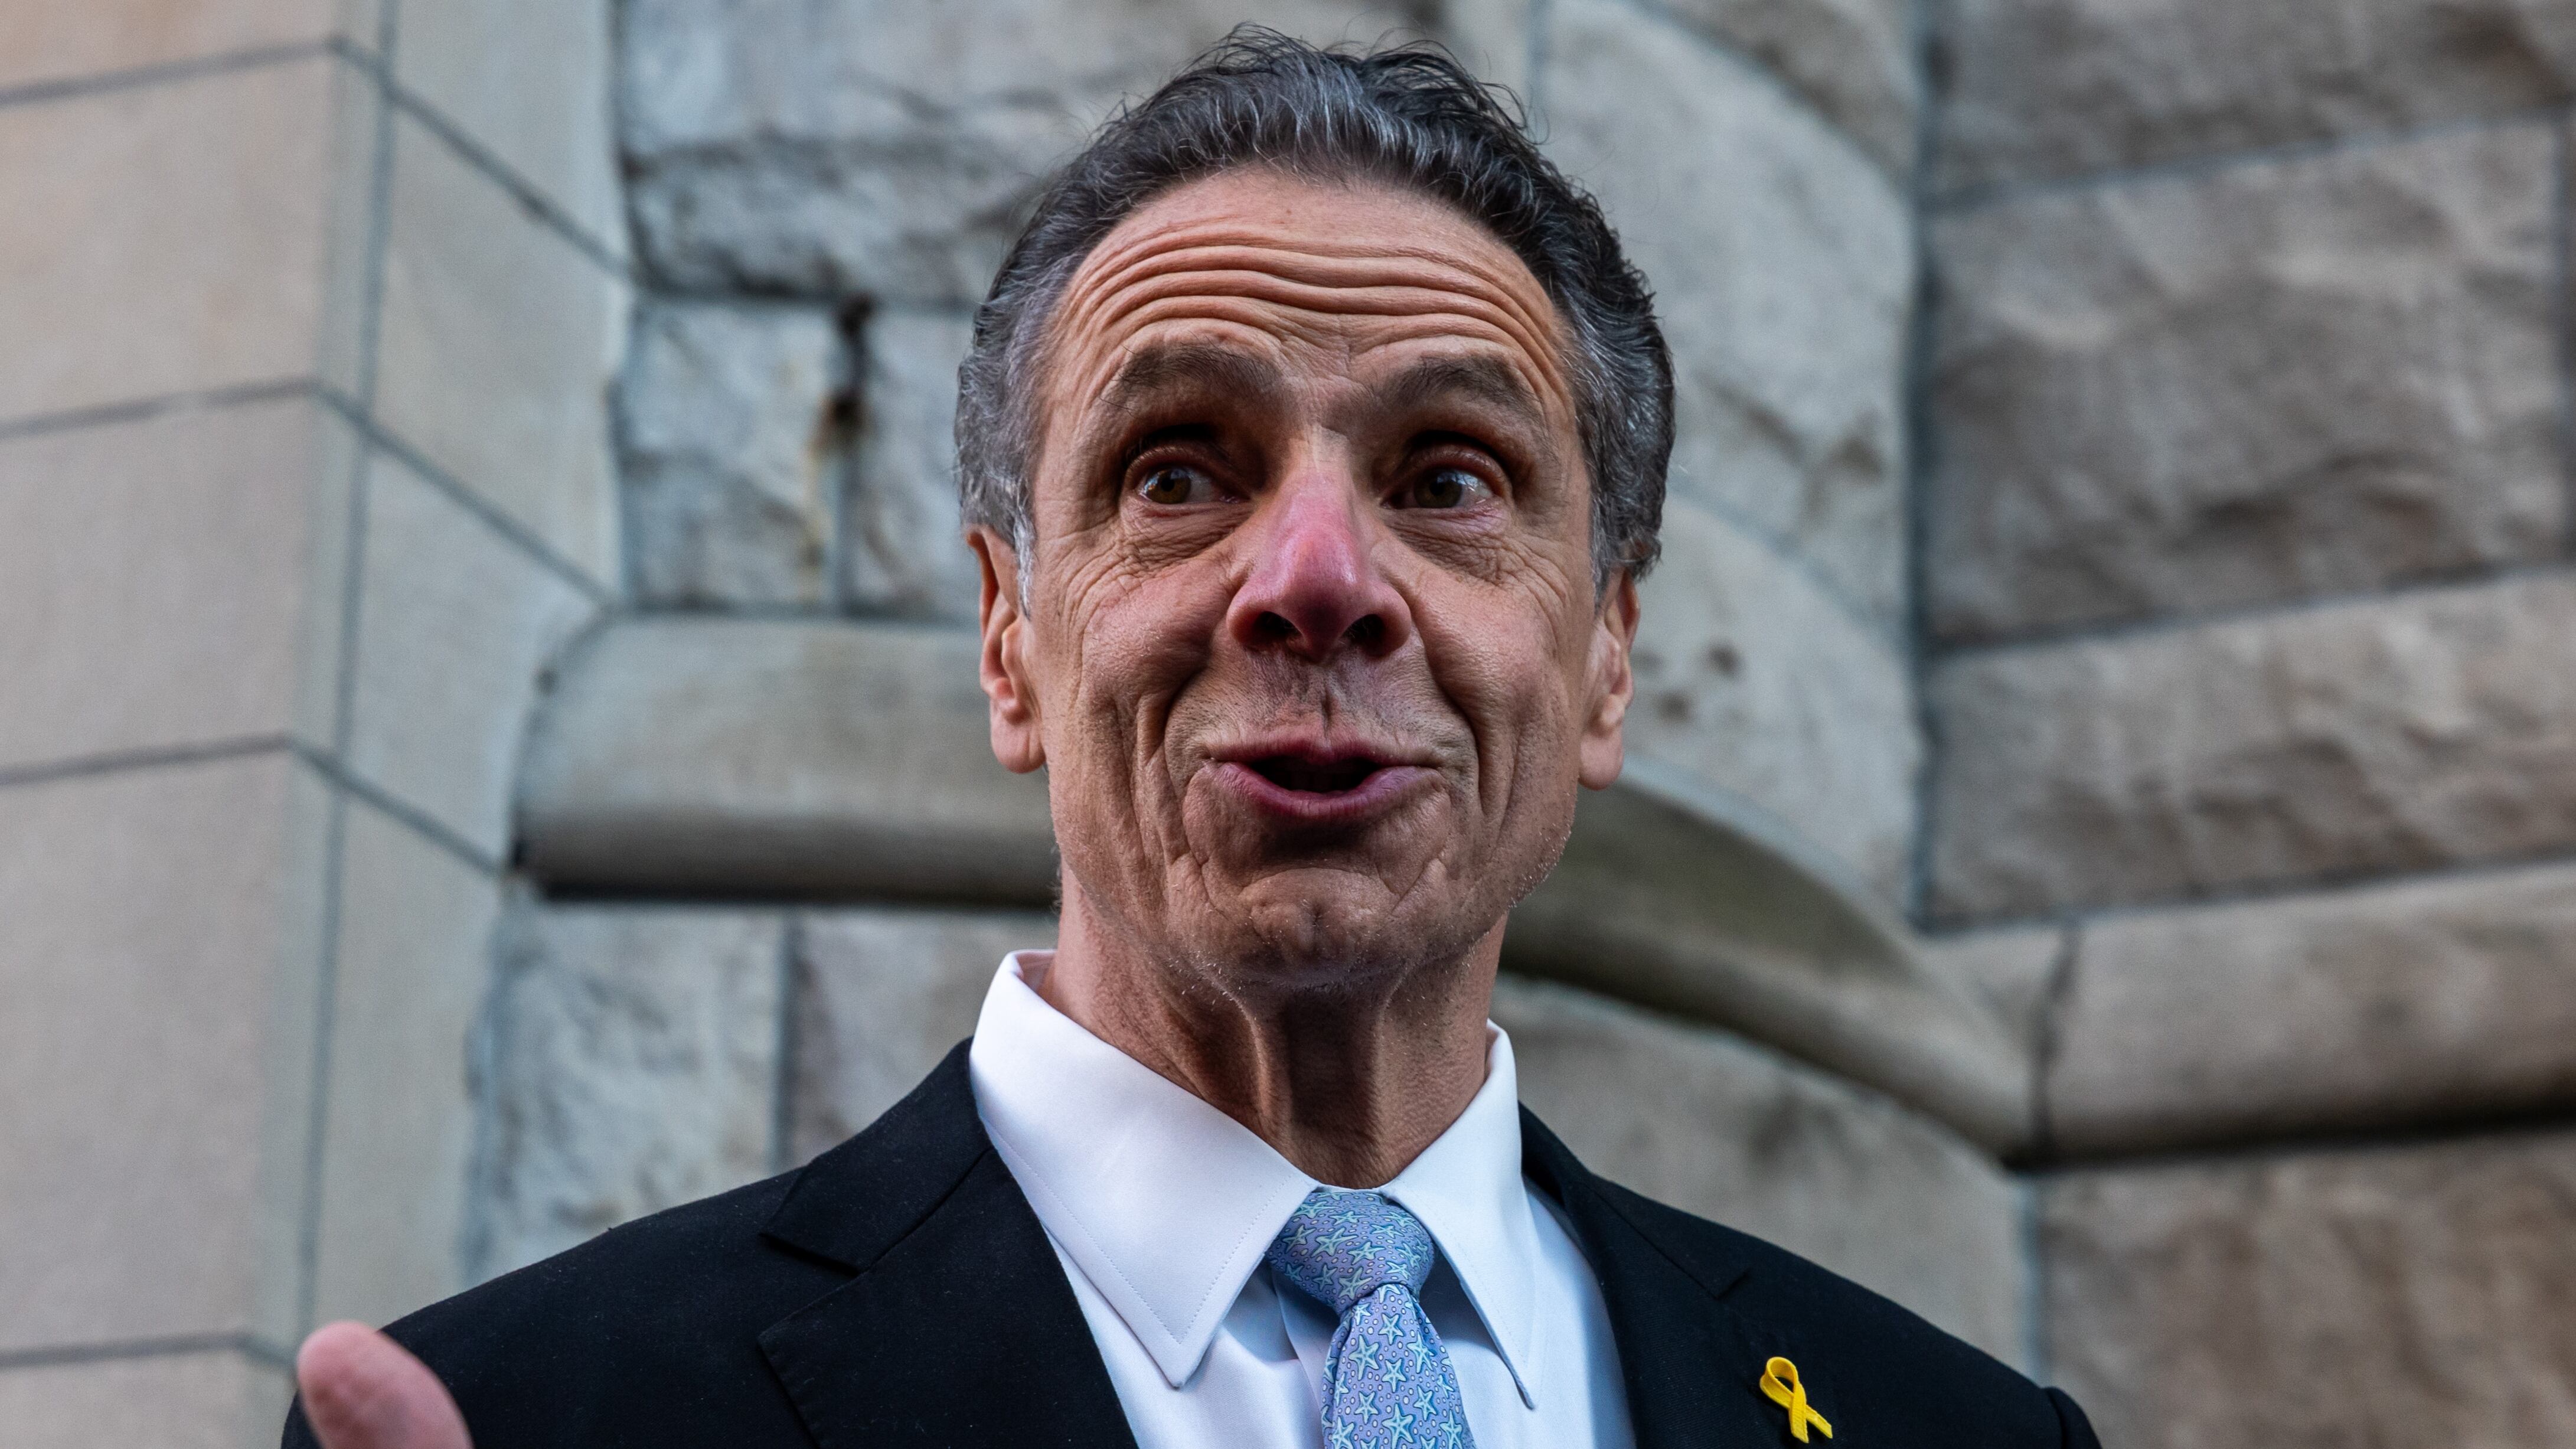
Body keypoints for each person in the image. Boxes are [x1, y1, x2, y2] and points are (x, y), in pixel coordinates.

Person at [286, 32, 2100, 1449]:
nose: (1314, 581)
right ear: (1009, 636)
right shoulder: (551, 1419)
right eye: (1178, 471)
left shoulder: (1956, 1433)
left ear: (1605, 652)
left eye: (1448, 477)